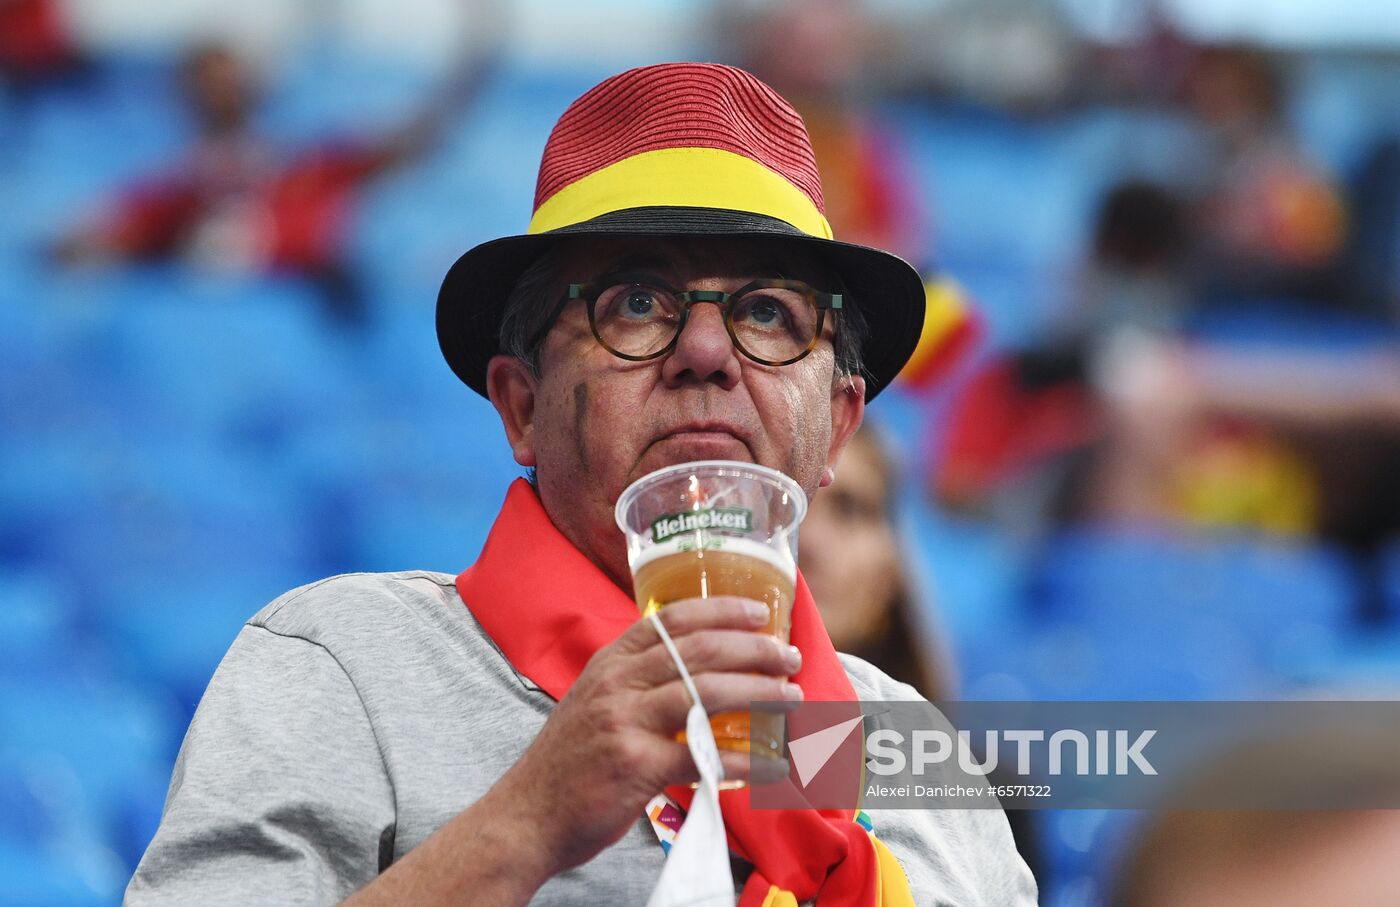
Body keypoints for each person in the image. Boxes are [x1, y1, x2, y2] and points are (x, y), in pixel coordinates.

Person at [125, 62, 1037, 905]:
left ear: (837, 424)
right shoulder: (340, 663)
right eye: (636, 302)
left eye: (769, 312)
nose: (707, 352)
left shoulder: (920, 755)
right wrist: (523, 825)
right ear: (521, 407)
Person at [53, 34, 498, 322]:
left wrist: (471, 69)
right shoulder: (173, 191)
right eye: (207, 82)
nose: (220, 91)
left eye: (228, 79)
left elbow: (415, 141)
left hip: (321, 309)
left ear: (254, 88)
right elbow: (83, 245)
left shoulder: (305, 165)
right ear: (184, 97)